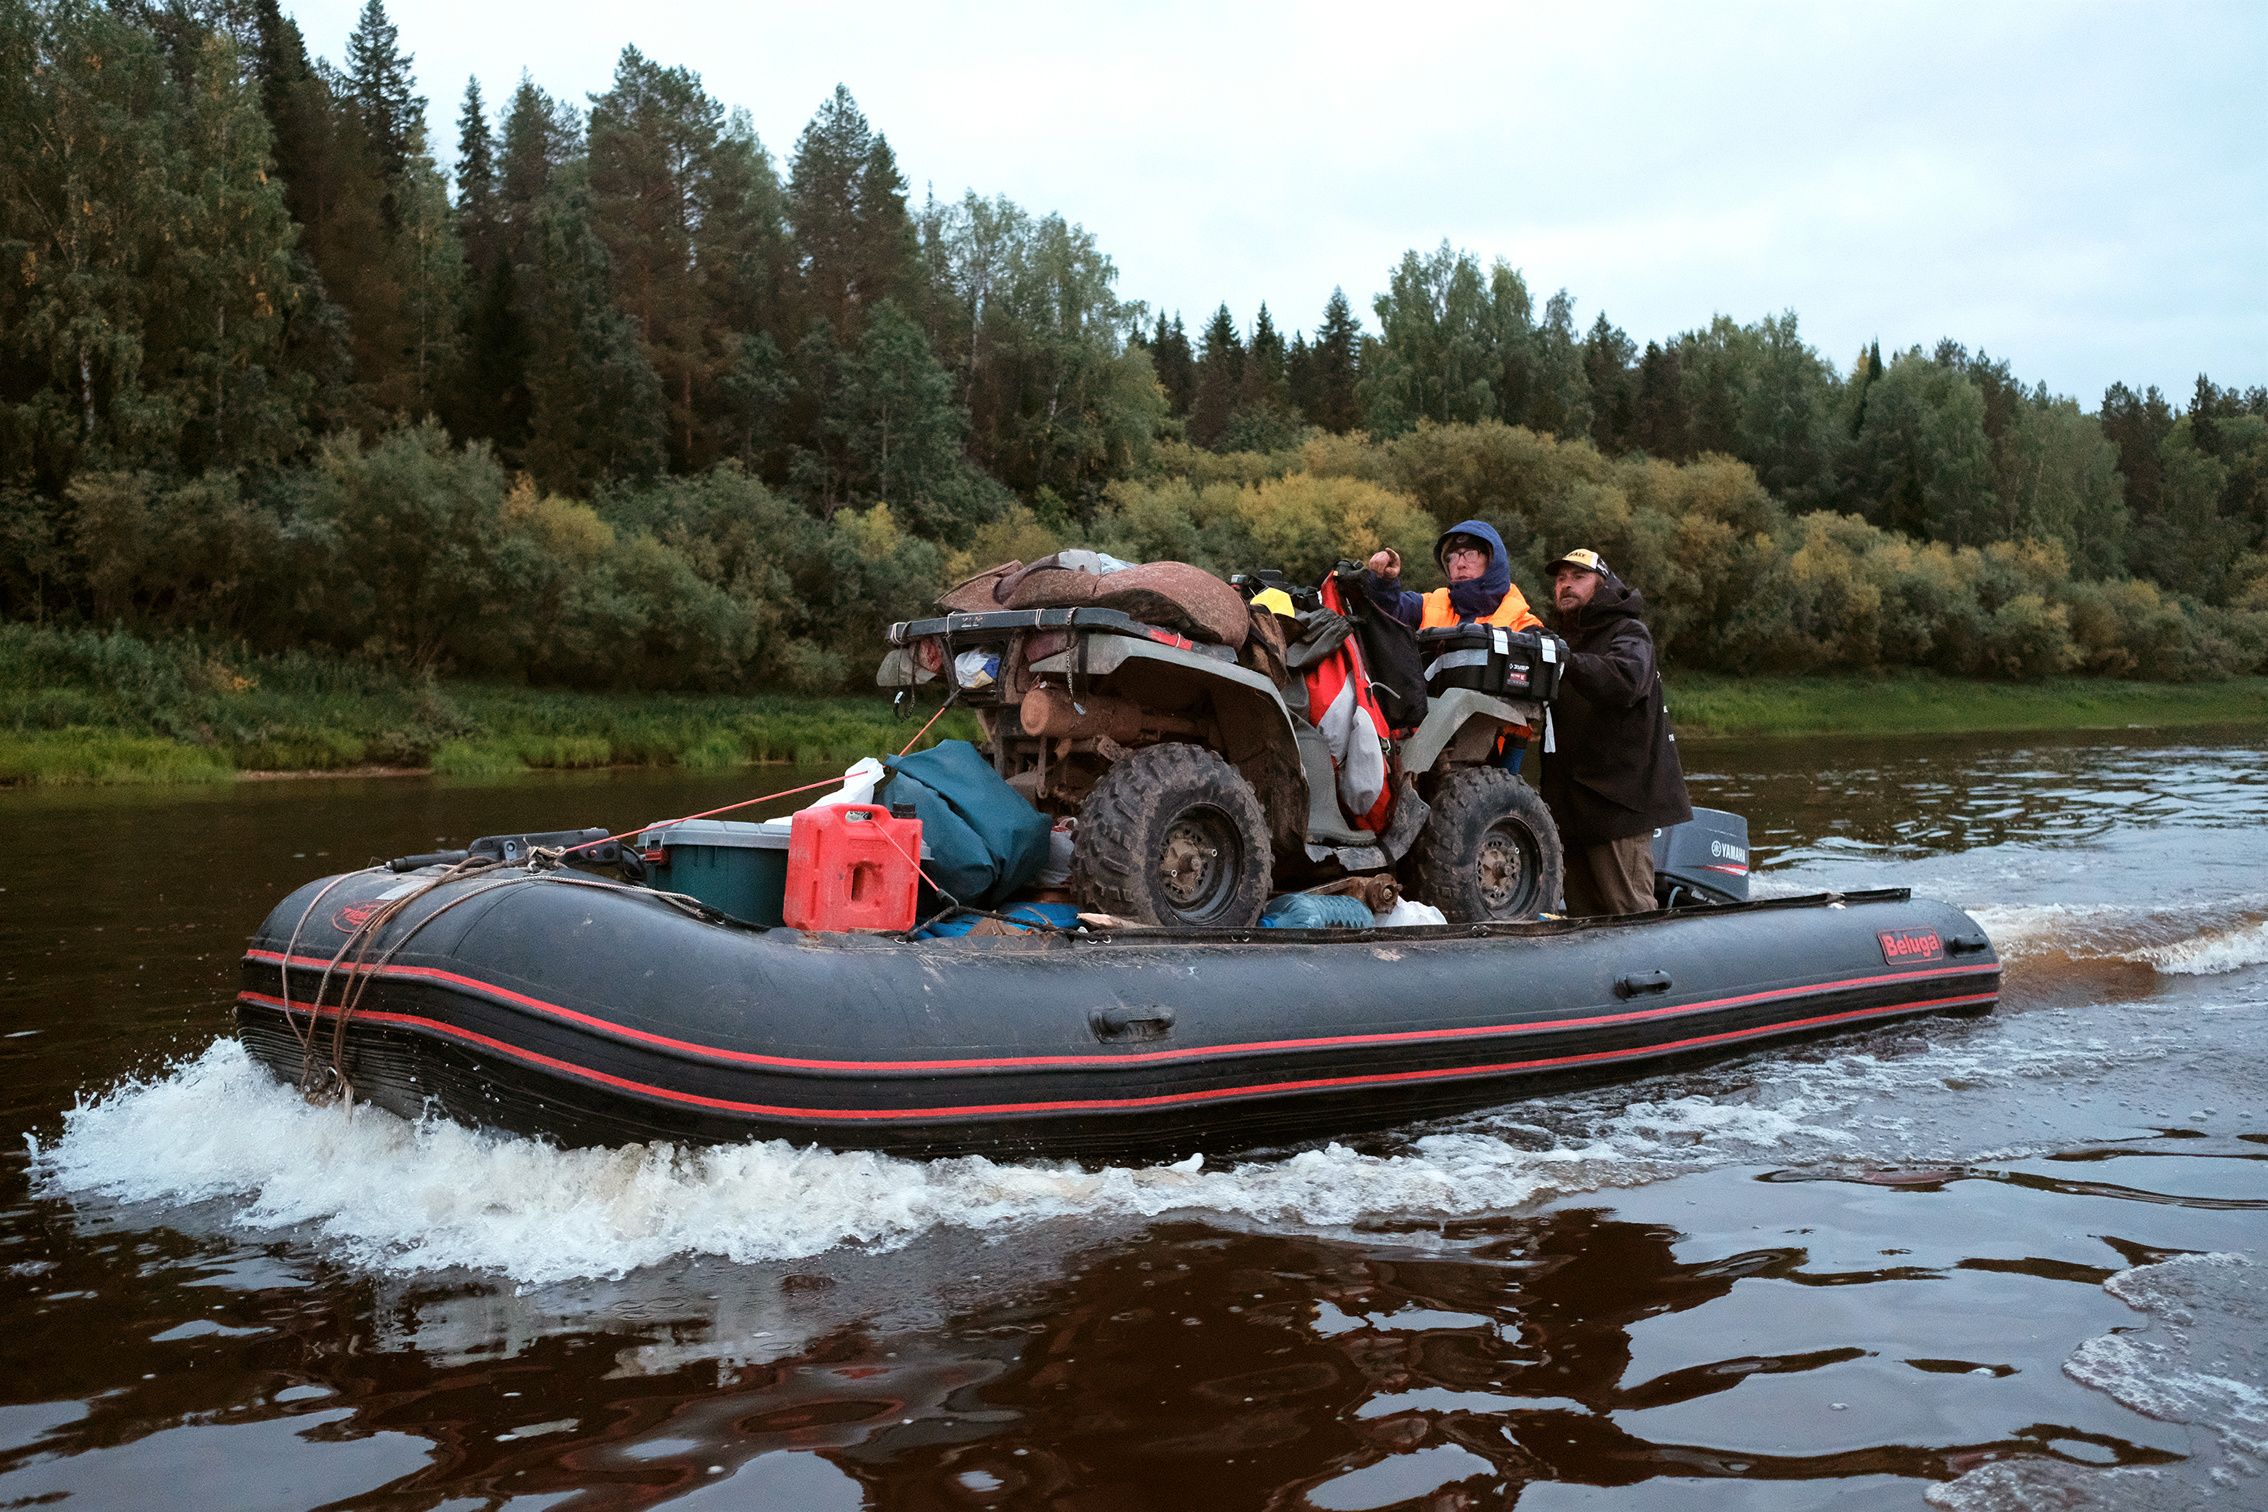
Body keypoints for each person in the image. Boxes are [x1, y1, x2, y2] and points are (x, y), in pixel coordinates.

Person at [1536, 547, 1692, 917]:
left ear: (1602, 586)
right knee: (1582, 917)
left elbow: (1625, 680)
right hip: (1569, 810)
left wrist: (1567, 661)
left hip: (1618, 806)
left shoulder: (1629, 632)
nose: (1566, 585)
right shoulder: (1558, 639)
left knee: (1630, 911)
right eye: (1561, 579)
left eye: (1578, 577)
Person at [1365, 520, 1542, 631]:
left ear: (1493, 561)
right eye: (1452, 557)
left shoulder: (1525, 624)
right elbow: (1386, 611)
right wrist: (1383, 583)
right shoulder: (1428, 605)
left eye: (1470, 554)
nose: (1459, 563)